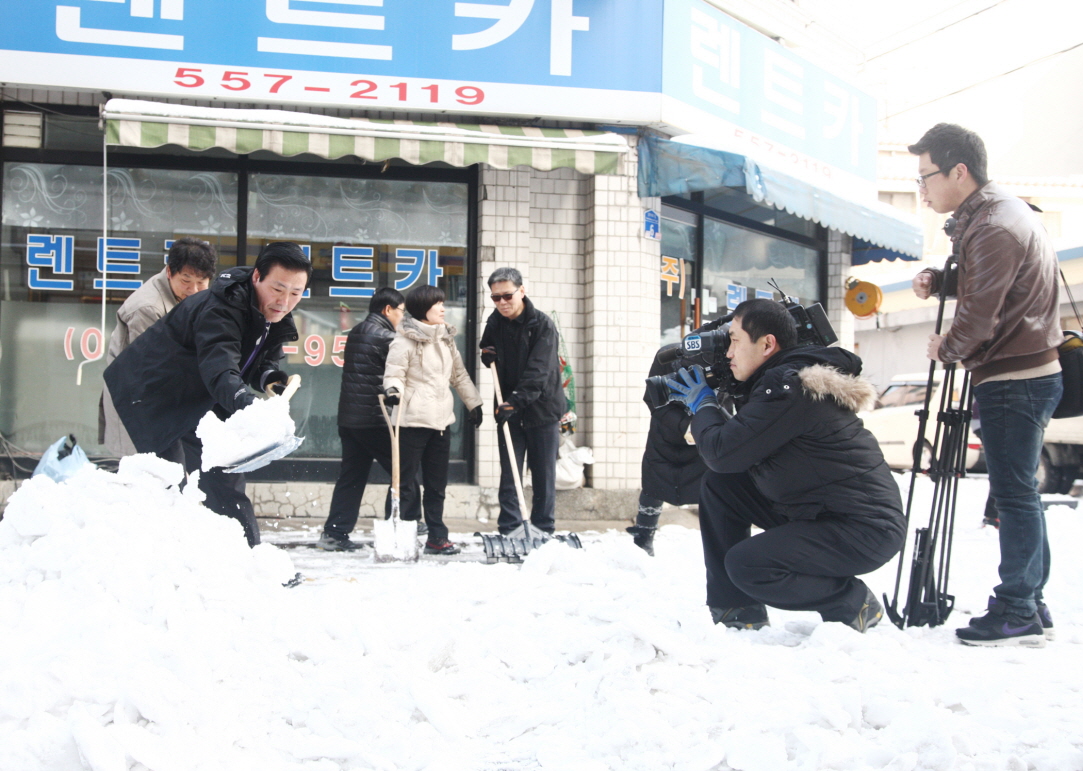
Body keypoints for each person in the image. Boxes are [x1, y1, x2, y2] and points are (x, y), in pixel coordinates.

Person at [909, 123, 1062, 647]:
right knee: (1021, 495)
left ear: (959, 171)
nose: (922, 187)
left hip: (1014, 378)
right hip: (1029, 372)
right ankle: (1031, 602)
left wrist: (947, 348)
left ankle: (1017, 608)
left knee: (1015, 496)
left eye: (926, 175)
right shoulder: (999, 213)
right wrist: (943, 281)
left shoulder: (992, 224)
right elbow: (998, 284)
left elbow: (979, 315)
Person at [666, 298, 905, 632]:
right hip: (817, 510)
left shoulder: (790, 389)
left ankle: (851, 602)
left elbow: (723, 452)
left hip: (864, 528)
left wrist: (703, 403)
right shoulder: (775, 383)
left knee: (749, 565)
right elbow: (733, 452)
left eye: (734, 341)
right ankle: (737, 608)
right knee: (722, 488)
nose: (729, 352)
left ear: (767, 344)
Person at [104, 242, 311, 547]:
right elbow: (220, 368)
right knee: (164, 481)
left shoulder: (271, 311)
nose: (285, 301)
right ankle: (143, 564)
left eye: (296, 293)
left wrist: (270, 379)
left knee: (222, 474)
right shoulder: (222, 307)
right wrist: (249, 407)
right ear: (257, 278)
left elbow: (257, 361)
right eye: (279, 289)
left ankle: (251, 563)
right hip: (152, 395)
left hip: (198, 396)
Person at [383, 284, 483, 555]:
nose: (443, 308)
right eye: (437, 304)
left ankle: (437, 537)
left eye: (442, 303)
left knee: (437, 485)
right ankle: (399, 535)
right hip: (411, 422)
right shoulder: (404, 340)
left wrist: (474, 404)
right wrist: (393, 392)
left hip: (441, 424)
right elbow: (395, 373)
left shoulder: (446, 340)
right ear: (422, 310)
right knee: (404, 483)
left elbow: (459, 375)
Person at [319, 287, 419, 551]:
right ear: (387, 310)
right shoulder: (386, 337)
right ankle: (397, 531)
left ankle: (334, 534)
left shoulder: (356, 332)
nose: (402, 317)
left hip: (350, 420)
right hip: (375, 421)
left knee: (352, 476)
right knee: (403, 473)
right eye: (401, 312)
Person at [100, 237, 217, 457]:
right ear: (169, 272)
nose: (194, 290)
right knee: (155, 477)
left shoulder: (186, 296)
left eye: (201, 282)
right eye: (186, 280)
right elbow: (153, 367)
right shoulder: (147, 308)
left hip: (167, 401)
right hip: (139, 403)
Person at [479, 267, 565, 537]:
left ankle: (543, 529)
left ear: (522, 291)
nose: (502, 303)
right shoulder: (494, 322)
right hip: (509, 411)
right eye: (495, 298)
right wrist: (486, 354)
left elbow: (539, 371)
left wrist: (516, 401)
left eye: (507, 296)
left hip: (542, 410)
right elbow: (487, 348)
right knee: (510, 473)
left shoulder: (542, 325)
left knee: (543, 475)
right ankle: (510, 528)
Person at [627, 344, 707, 556]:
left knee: (712, 487)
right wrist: (683, 425)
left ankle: (716, 536)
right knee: (654, 484)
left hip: (704, 429)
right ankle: (643, 536)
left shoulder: (722, 358)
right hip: (665, 430)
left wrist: (703, 425)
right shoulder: (667, 356)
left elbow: (725, 397)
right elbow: (652, 397)